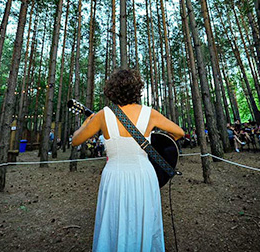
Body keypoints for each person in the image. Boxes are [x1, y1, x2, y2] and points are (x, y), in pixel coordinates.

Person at [71, 69, 184, 251]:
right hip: (143, 175)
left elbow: (75, 140)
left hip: (114, 176)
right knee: (143, 220)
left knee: (113, 221)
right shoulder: (150, 113)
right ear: (136, 90)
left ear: (112, 90)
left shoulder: (102, 115)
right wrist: (154, 139)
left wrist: (86, 123)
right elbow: (179, 132)